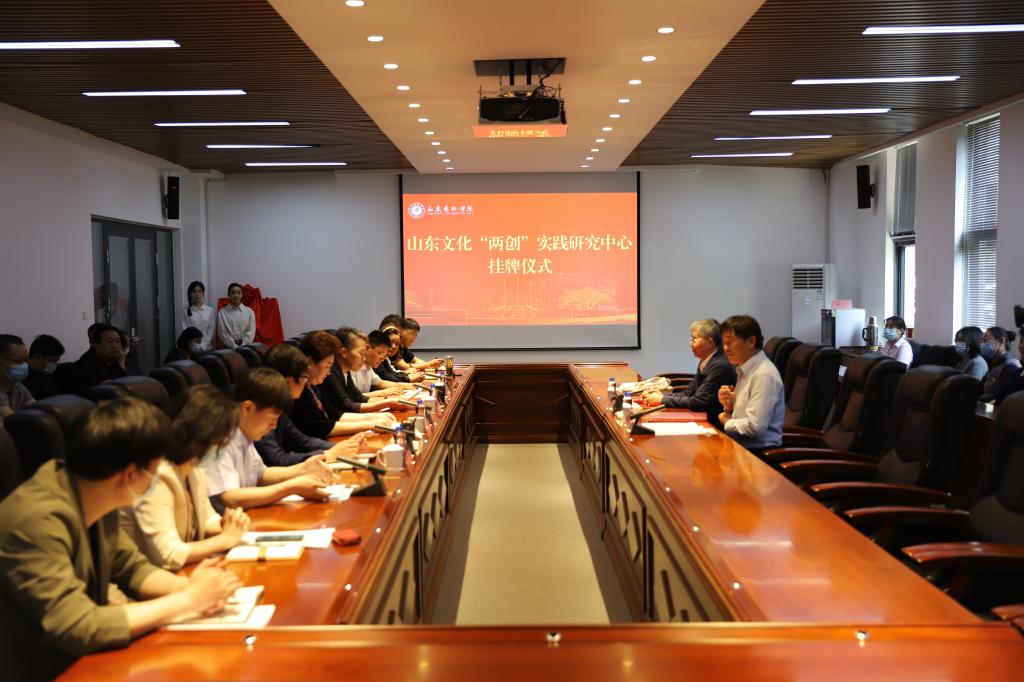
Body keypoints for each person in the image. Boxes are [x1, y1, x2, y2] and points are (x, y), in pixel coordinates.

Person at [0, 396, 240, 680]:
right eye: (155, 470)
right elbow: (76, 626)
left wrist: (189, 586)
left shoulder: (95, 493)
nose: (156, 479)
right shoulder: (35, 521)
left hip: (83, 661)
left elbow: (132, 567)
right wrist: (189, 600)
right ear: (130, 474)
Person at [120, 386, 251, 570]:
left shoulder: (194, 469)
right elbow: (168, 555)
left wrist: (228, 525)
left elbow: (207, 520)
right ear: (202, 437)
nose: (223, 447)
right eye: (220, 441)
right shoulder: (156, 475)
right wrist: (225, 539)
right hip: (149, 577)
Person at [202, 367, 335, 512]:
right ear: (248, 408)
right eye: (272, 418)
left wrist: (303, 469)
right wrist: (291, 487)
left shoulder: (245, 433)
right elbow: (230, 498)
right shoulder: (219, 438)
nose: (274, 425)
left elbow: (261, 475)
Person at [256, 344, 368, 466]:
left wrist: (342, 447)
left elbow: (302, 441)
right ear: (289, 381)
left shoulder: (279, 406)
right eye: (304, 377)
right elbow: (276, 460)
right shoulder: (262, 407)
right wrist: (328, 455)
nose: (306, 383)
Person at [290, 331, 395, 438]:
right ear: (309, 362)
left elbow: (336, 414)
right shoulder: (303, 388)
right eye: (327, 366)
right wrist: (370, 424)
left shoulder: (313, 385)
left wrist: (374, 418)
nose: (329, 372)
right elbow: (321, 426)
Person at [642, 319, 736, 430]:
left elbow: (699, 402)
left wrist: (662, 399)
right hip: (701, 419)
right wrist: (663, 396)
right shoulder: (707, 360)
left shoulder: (719, 365)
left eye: (694, 339)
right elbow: (689, 392)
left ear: (710, 342)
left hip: (713, 426)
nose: (690, 343)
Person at [716, 315, 785, 453]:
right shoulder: (745, 369)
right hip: (739, 446)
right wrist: (729, 407)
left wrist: (726, 421)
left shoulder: (763, 374)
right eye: (724, 343)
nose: (725, 348)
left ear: (751, 341)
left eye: (729, 342)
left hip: (758, 454)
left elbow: (755, 427)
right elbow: (744, 416)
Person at [320, 328, 404, 414]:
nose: (364, 359)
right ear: (344, 352)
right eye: (361, 353)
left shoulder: (346, 370)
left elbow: (358, 397)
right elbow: (346, 406)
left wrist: (387, 400)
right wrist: (386, 403)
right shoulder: (332, 372)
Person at [70, 324, 127, 395]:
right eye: (109, 341)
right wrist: (121, 364)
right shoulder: (88, 364)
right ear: (96, 344)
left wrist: (121, 363)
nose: (115, 346)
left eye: (118, 341)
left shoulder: (113, 360)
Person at [979, 326, 1021, 403]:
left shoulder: (1010, 367)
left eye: (986, 340)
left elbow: (1000, 398)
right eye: (981, 341)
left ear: (1001, 341)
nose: (982, 344)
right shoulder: (994, 363)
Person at [0, 334, 34, 422]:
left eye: (26, 360)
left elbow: (37, 409)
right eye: (18, 361)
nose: (24, 365)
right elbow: (13, 422)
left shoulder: (17, 385)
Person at [24, 334, 65, 400]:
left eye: (57, 361)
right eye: (52, 360)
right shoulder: (19, 379)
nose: (55, 364)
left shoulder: (50, 376)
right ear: (37, 357)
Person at [216, 282, 256, 350]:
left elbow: (251, 332)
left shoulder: (249, 311)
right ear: (228, 294)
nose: (236, 295)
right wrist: (234, 347)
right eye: (233, 293)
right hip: (228, 347)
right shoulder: (222, 312)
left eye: (238, 293)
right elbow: (223, 333)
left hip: (246, 347)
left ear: (242, 295)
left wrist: (243, 345)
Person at [182, 281, 216, 352]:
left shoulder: (210, 310)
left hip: (207, 348)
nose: (197, 294)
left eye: (200, 292)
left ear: (203, 294)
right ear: (190, 294)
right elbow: (185, 329)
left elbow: (211, 330)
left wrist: (203, 346)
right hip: (191, 348)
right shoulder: (185, 311)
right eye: (194, 292)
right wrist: (193, 346)